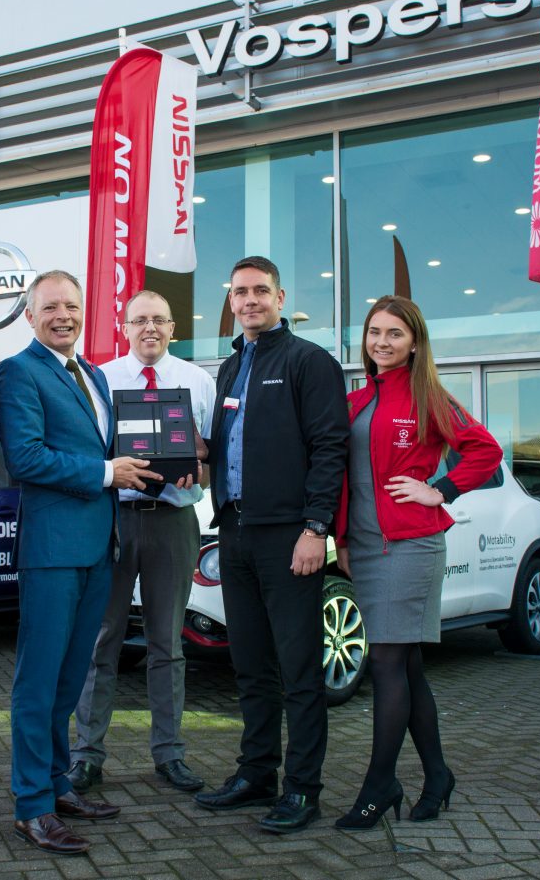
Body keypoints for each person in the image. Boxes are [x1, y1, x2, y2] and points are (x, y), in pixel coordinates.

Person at [0, 270, 164, 856]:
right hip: (52, 552)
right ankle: (31, 807)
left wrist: (159, 463)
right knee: (38, 682)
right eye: (50, 307)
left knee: (70, 679)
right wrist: (103, 474)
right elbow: (25, 457)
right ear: (29, 315)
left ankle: (58, 785)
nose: (62, 315)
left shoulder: (90, 373)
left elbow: (109, 451)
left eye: (71, 306)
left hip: (98, 547)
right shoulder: (20, 371)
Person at [333, 295, 502, 830]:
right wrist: (341, 540)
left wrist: (440, 489)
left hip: (410, 546)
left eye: (395, 334)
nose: (382, 342)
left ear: (414, 342)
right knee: (405, 666)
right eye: (374, 332)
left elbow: (485, 450)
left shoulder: (428, 396)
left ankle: (379, 783)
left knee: (384, 663)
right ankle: (438, 775)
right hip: (364, 547)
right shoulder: (356, 400)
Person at [194, 255, 349, 835]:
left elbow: (331, 448)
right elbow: (224, 444)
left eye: (261, 291)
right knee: (251, 666)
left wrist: (316, 529)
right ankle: (256, 772)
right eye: (240, 292)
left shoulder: (310, 362)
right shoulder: (230, 368)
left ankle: (302, 790)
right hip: (233, 531)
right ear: (230, 301)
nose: (250, 300)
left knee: (299, 671)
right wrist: (192, 455)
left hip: (291, 538)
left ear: (281, 297)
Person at [68, 290, 217, 793]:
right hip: (112, 520)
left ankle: (170, 755)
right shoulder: (100, 380)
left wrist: (197, 468)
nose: (149, 328)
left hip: (173, 522)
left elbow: (212, 464)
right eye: (139, 320)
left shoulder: (199, 382)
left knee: (167, 643)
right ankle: (86, 755)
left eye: (158, 319)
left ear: (173, 327)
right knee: (101, 640)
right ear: (123, 327)